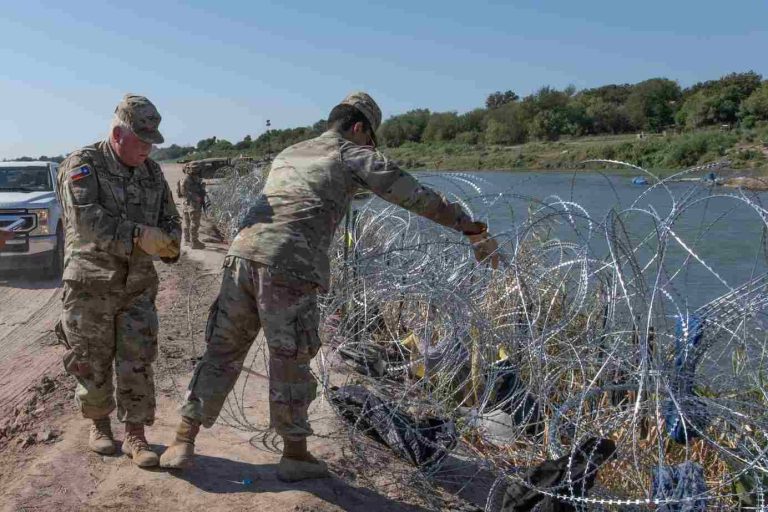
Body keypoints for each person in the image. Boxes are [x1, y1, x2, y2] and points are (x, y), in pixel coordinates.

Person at [160, 92, 499, 480]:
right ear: (358, 128)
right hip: (289, 264)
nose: (370, 147)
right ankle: (295, 455)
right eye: (370, 140)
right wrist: (470, 227)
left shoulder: (291, 151)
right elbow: (414, 195)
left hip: (241, 254)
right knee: (289, 357)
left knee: (221, 350)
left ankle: (182, 440)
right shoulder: (351, 153)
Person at [55, 94, 182, 468]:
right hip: (90, 285)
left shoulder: (152, 172)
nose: (147, 149)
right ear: (117, 134)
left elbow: (171, 220)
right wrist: (141, 235)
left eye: (152, 142)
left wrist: (170, 243)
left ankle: (136, 435)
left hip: (138, 286)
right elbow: (87, 222)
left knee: (137, 360)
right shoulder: (82, 166)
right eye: (140, 141)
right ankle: (99, 425)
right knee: (91, 360)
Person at [179, 164, 207, 249]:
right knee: (194, 223)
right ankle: (194, 242)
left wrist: (201, 187)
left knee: (187, 223)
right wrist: (195, 197)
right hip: (192, 204)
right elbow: (183, 192)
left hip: (187, 204)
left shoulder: (193, 178)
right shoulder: (187, 179)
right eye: (195, 169)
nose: (196, 170)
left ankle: (187, 240)